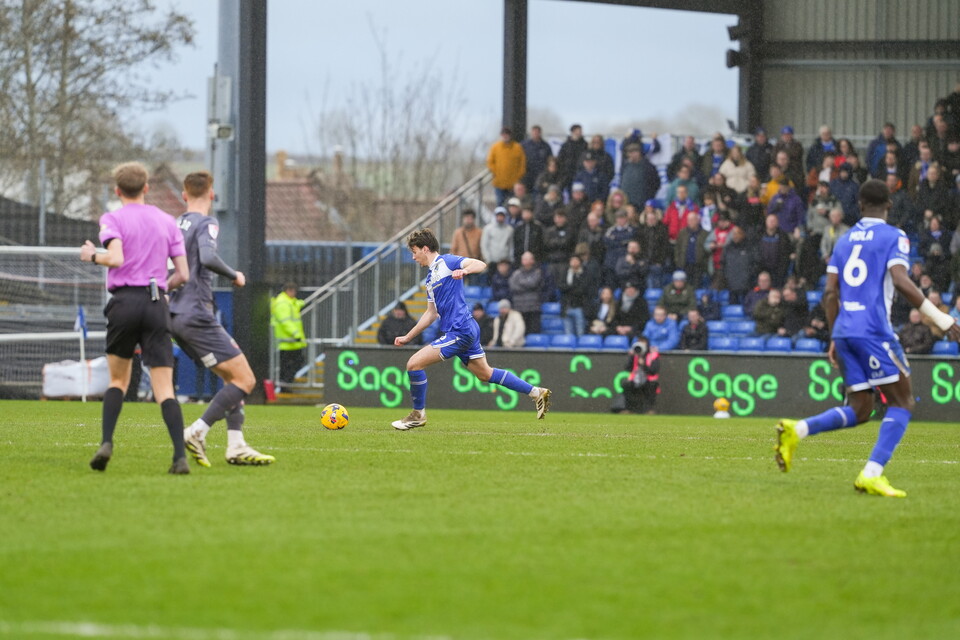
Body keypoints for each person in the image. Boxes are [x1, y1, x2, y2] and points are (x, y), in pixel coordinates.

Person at [774, 179, 960, 497]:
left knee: (862, 409)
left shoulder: (844, 240)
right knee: (902, 401)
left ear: (859, 206)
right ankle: (871, 474)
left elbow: (830, 293)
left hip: (845, 331)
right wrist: (941, 317)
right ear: (888, 204)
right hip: (874, 331)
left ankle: (798, 429)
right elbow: (901, 281)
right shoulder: (894, 236)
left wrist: (835, 335)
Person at [80, 161, 191, 474]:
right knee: (164, 388)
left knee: (118, 379)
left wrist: (91, 256)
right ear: (146, 188)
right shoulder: (167, 221)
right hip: (155, 301)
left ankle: (106, 442)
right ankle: (179, 457)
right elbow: (183, 273)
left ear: (117, 190)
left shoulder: (113, 218)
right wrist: (159, 288)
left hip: (125, 302)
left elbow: (115, 258)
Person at [390, 228, 551, 429]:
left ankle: (418, 415)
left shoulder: (447, 262)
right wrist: (408, 336)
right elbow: (431, 314)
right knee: (485, 374)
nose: (413, 257)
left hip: (460, 330)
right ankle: (537, 392)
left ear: (425, 248)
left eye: (414, 252)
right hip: (465, 329)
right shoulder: (431, 279)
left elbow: (480, 264)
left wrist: (465, 271)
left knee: (414, 365)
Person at [168, 171, 274, 467]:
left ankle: (236, 445)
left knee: (232, 380)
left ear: (184, 195)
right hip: (196, 313)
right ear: (211, 194)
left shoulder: (175, 224)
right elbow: (208, 257)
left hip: (175, 315)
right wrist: (235, 275)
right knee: (246, 379)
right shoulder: (206, 222)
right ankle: (197, 431)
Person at [271, 282, 306, 385]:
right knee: (289, 364)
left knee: (293, 363)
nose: (294, 293)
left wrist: (301, 303)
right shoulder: (282, 303)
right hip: (287, 340)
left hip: (291, 341)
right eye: (293, 291)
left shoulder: (288, 302)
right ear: (288, 291)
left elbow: (295, 305)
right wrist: (296, 334)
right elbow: (285, 321)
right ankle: (284, 383)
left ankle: (285, 383)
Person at [620, 337, 660, 414]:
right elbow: (627, 368)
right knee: (626, 384)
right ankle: (629, 409)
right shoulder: (635, 354)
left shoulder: (653, 355)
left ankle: (649, 410)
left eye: (643, 342)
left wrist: (643, 364)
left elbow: (654, 371)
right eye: (639, 342)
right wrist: (631, 357)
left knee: (653, 385)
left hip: (648, 379)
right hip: (635, 379)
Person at [487, 126, 526, 205]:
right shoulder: (495, 147)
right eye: (503, 134)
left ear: (510, 135)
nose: (505, 136)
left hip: (513, 184)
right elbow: (490, 162)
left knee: (513, 204)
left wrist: (518, 177)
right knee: (500, 203)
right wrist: (496, 172)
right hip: (499, 182)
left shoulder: (517, 147)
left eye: (507, 134)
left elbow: (522, 164)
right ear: (501, 135)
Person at [521, 125, 553, 195]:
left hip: (541, 175)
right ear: (531, 133)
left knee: (539, 195)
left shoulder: (546, 146)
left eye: (537, 132)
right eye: (534, 132)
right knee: (527, 195)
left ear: (540, 133)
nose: (535, 134)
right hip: (527, 175)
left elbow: (550, 161)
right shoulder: (524, 145)